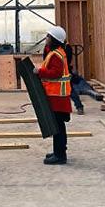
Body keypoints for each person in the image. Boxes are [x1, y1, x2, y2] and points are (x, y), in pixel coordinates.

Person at [35, 25, 72, 165]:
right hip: (58, 97)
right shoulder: (57, 51)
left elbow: (55, 73)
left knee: (58, 127)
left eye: (48, 36)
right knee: (58, 126)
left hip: (57, 97)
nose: (46, 38)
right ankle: (59, 151)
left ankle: (60, 155)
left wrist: (39, 72)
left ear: (54, 39)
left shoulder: (56, 54)